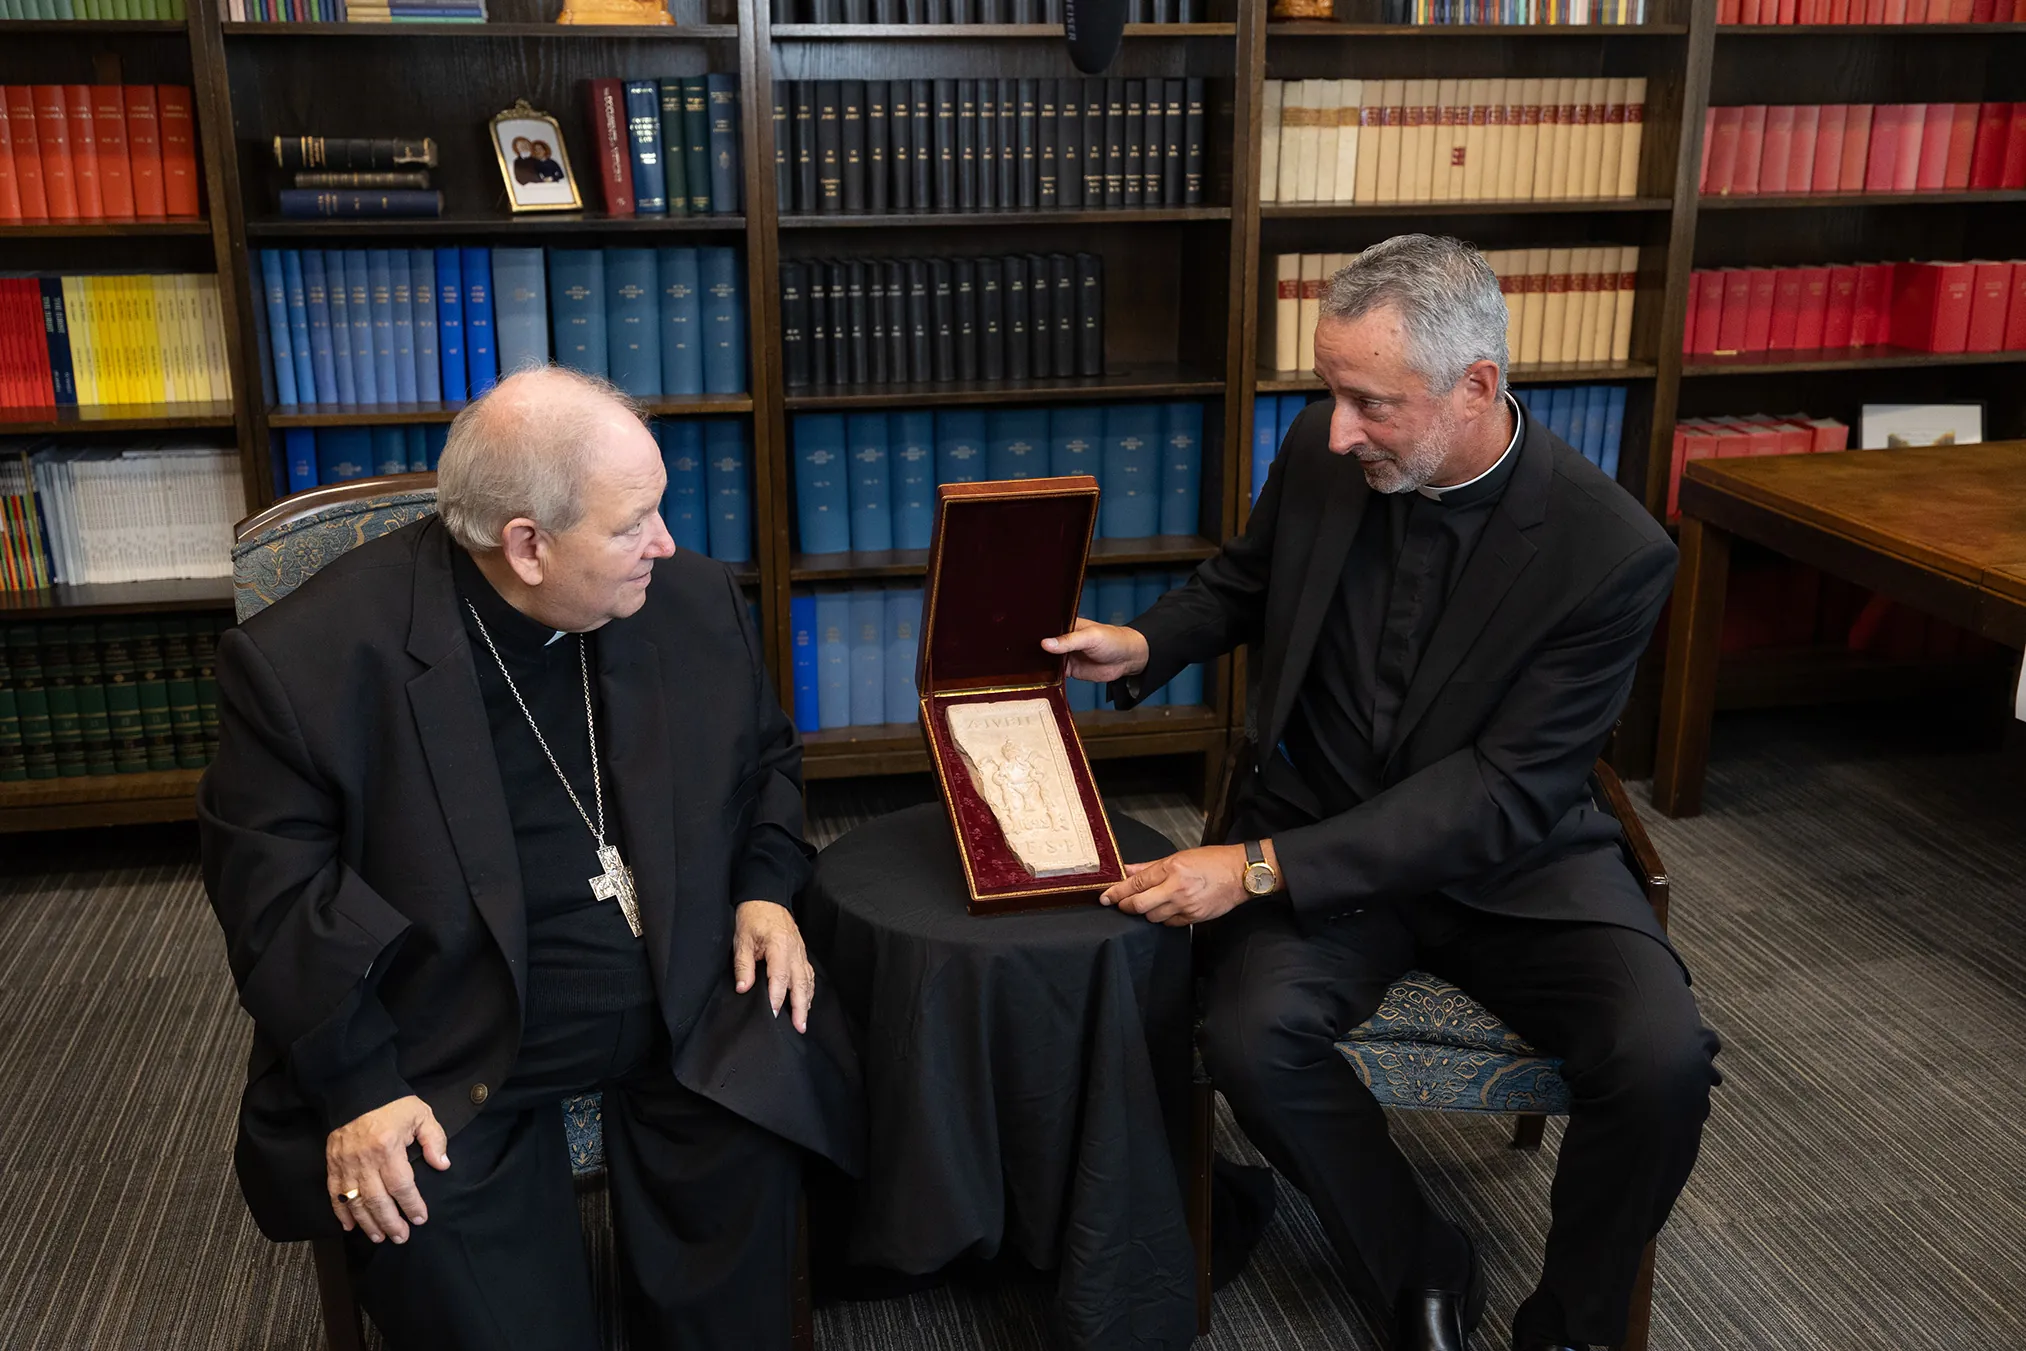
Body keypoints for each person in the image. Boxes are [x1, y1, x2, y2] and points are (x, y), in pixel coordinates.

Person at [1043, 235, 1719, 1351]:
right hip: (1321, 820)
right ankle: (1417, 1255)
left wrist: (1257, 868)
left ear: (1477, 387)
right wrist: (1144, 639)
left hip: (1516, 861)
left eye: (1369, 403)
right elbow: (1248, 581)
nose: (1336, 426)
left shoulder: (1613, 552)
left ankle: (1572, 1323)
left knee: (1659, 1062)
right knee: (1252, 1037)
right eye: (1330, 393)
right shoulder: (1328, 448)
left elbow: (1504, 790)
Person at [200, 366, 859, 1351]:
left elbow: (765, 760)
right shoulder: (312, 661)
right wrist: (360, 1085)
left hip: (685, 991)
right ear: (527, 544)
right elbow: (275, 897)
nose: (667, 543)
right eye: (635, 521)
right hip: (451, 1031)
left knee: (748, 1226)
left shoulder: (688, 600)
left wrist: (766, 891)